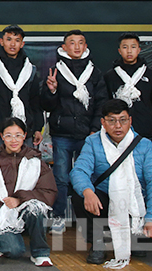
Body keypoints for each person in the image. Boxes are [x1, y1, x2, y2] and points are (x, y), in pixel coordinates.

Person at [70, 99, 152, 267]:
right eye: (112, 121)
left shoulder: (144, 145)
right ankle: (98, 243)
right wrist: (87, 191)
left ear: (130, 121)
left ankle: (130, 239)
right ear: (103, 122)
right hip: (105, 202)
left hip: (133, 205)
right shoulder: (93, 142)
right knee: (80, 195)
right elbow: (79, 171)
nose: (118, 126)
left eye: (123, 120)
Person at [40, 29, 107, 232]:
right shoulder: (55, 71)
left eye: (80, 42)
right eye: (72, 43)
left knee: (89, 176)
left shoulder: (94, 72)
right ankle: (58, 217)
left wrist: (95, 129)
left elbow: (102, 103)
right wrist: (51, 90)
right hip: (62, 134)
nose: (76, 46)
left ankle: (88, 219)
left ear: (85, 46)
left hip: (89, 134)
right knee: (61, 178)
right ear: (64, 47)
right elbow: (47, 105)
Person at [0, 117, 56, 267]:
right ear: (2, 137)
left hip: (24, 209)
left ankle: (40, 253)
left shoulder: (36, 162)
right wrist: (2, 206)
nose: (13, 140)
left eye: (18, 135)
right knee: (14, 251)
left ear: (24, 136)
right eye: (8, 135)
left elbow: (48, 192)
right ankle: (1, 241)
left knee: (36, 209)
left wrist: (20, 200)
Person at [0, 25, 44, 150]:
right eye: (8, 39)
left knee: (26, 163)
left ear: (22, 44)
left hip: (25, 131)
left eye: (17, 40)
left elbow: (35, 102)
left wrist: (37, 129)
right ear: (1, 41)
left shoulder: (30, 69)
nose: (12, 44)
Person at [103, 33, 152, 139]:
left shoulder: (151, 75)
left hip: (144, 129)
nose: (129, 51)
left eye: (133, 47)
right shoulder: (110, 76)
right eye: (125, 47)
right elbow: (106, 102)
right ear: (119, 51)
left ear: (139, 50)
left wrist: (146, 114)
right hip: (117, 131)